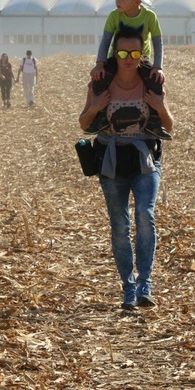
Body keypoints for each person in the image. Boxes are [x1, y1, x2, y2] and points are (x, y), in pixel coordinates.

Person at [79, 24, 175, 311]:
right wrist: (95, 106)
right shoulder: (101, 82)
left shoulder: (152, 82)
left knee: (145, 216)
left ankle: (145, 283)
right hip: (112, 163)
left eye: (135, 51)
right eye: (122, 51)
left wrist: (159, 106)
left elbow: (170, 126)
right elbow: (84, 124)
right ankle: (128, 288)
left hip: (145, 160)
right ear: (114, 53)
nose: (129, 57)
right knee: (120, 226)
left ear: (142, 52)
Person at [86, 0, 170, 140]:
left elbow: (157, 42)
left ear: (137, 1)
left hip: (142, 58)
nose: (118, 1)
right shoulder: (114, 16)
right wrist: (100, 64)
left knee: (155, 82)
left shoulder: (149, 17)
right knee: (99, 79)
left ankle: (154, 121)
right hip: (116, 57)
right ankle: (101, 118)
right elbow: (105, 41)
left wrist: (158, 67)